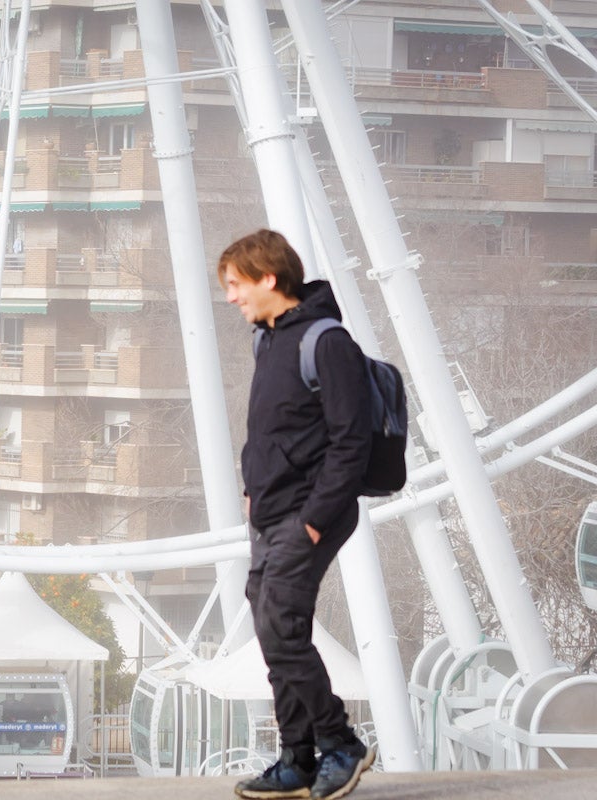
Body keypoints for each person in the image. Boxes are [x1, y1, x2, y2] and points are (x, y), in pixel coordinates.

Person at [218, 229, 377, 800]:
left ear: (268, 277)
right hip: (271, 511)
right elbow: (269, 428)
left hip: (309, 514)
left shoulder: (326, 342)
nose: (232, 297)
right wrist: (251, 489)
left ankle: (341, 744)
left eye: (237, 285)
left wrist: (313, 518)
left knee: (281, 631)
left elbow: (350, 442)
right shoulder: (269, 341)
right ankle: (297, 759)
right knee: (271, 626)